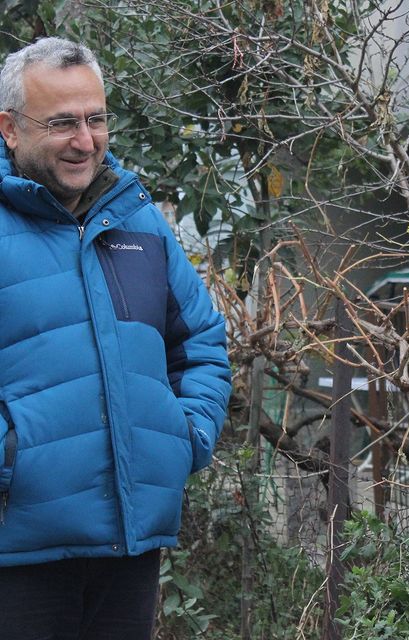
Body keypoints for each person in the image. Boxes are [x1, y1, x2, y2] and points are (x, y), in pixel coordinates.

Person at [0, 37, 232, 639]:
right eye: (62, 123)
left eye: (96, 119)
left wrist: (187, 436)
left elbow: (200, 339)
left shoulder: (136, 220)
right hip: (16, 549)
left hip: (128, 544)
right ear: (10, 128)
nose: (86, 141)